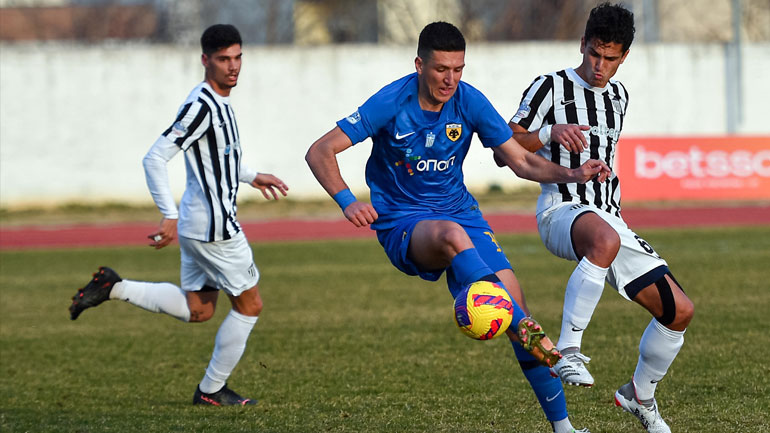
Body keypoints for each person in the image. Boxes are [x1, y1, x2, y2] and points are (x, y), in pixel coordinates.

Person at [306, 21, 611, 433]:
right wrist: (347, 201)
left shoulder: (469, 101)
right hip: (404, 222)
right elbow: (320, 150)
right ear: (419, 65)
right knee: (478, 269)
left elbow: (520, 161)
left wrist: (572, 175)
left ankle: (564, 428)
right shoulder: (391, 101)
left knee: (519, 315)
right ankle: (525, 327)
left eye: (458, 69)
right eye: (440, 70)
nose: (450, 79)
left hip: (463, 215)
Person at [68, 24, 289, 406]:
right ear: (205, 60)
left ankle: (113, 286)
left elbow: (219, 159)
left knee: (199, 309)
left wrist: (252, 176)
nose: (233, 67)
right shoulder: (201, 105)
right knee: (251, 305)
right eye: (223, 59)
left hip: (198, 224)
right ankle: (211, 391)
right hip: (214, 229)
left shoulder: (220, 102)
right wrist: (166, 214)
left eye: (237, 58)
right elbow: (155, 157)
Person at [504, 3, 694, 433]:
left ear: (624, 56)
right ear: (582, 44)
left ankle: (639, 394)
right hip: (561, 210)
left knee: (679, 312)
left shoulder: (619, 96)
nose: (600, 66)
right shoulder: (550, 86)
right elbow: (508, 145)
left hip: (610, 218)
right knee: (603, 239)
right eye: (594, 54)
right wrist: (550, 132)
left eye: (611, 58)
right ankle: (568, 350)